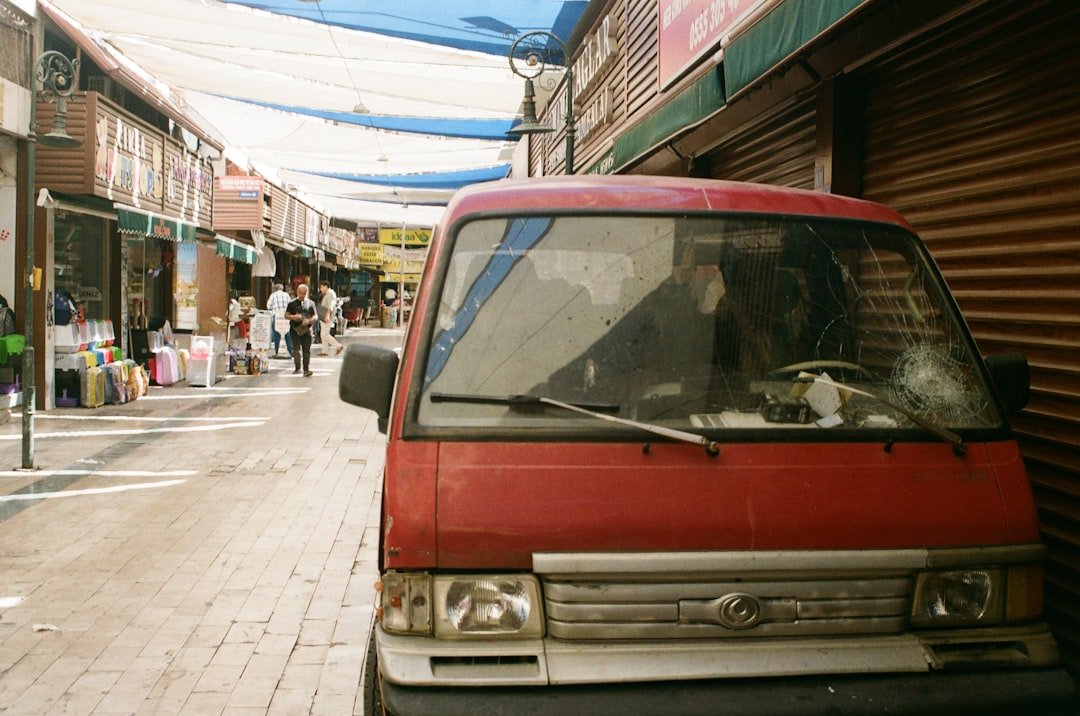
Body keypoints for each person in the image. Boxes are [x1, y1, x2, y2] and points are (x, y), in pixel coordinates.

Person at [284, 283, 318, 376]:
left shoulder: (311, 303)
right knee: (296, 349)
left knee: (306, 350)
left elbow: (315, 315)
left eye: (304, 293)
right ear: (297, 292)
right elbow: (286, 315)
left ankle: (306, 369)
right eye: (301, 293)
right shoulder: (291, 303)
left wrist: (310, 320)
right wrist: (294, 317)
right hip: (295, 329)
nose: (302, 295)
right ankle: (297, 367)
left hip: (306, 330)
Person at [267, 282, 293, 358]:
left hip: (277, 316)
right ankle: (290, 351)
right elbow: (290, 305)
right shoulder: (286, 295)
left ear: (275, 289)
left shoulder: (273, 295)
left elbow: (268, 306)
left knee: (276, 334)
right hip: (286, 317)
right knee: (288, 333)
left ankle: (277, 351)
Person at [317, 280, 344, 356]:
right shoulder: (326, 294)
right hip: (324, 316)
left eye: (321, 287)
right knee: (323, 334)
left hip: (327, 316)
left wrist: (328, 315)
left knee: (325, 334)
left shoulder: (331, 294)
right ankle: (325, 351)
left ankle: (338, 346)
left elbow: (331, 306)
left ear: (326, 286)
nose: (320, 289)